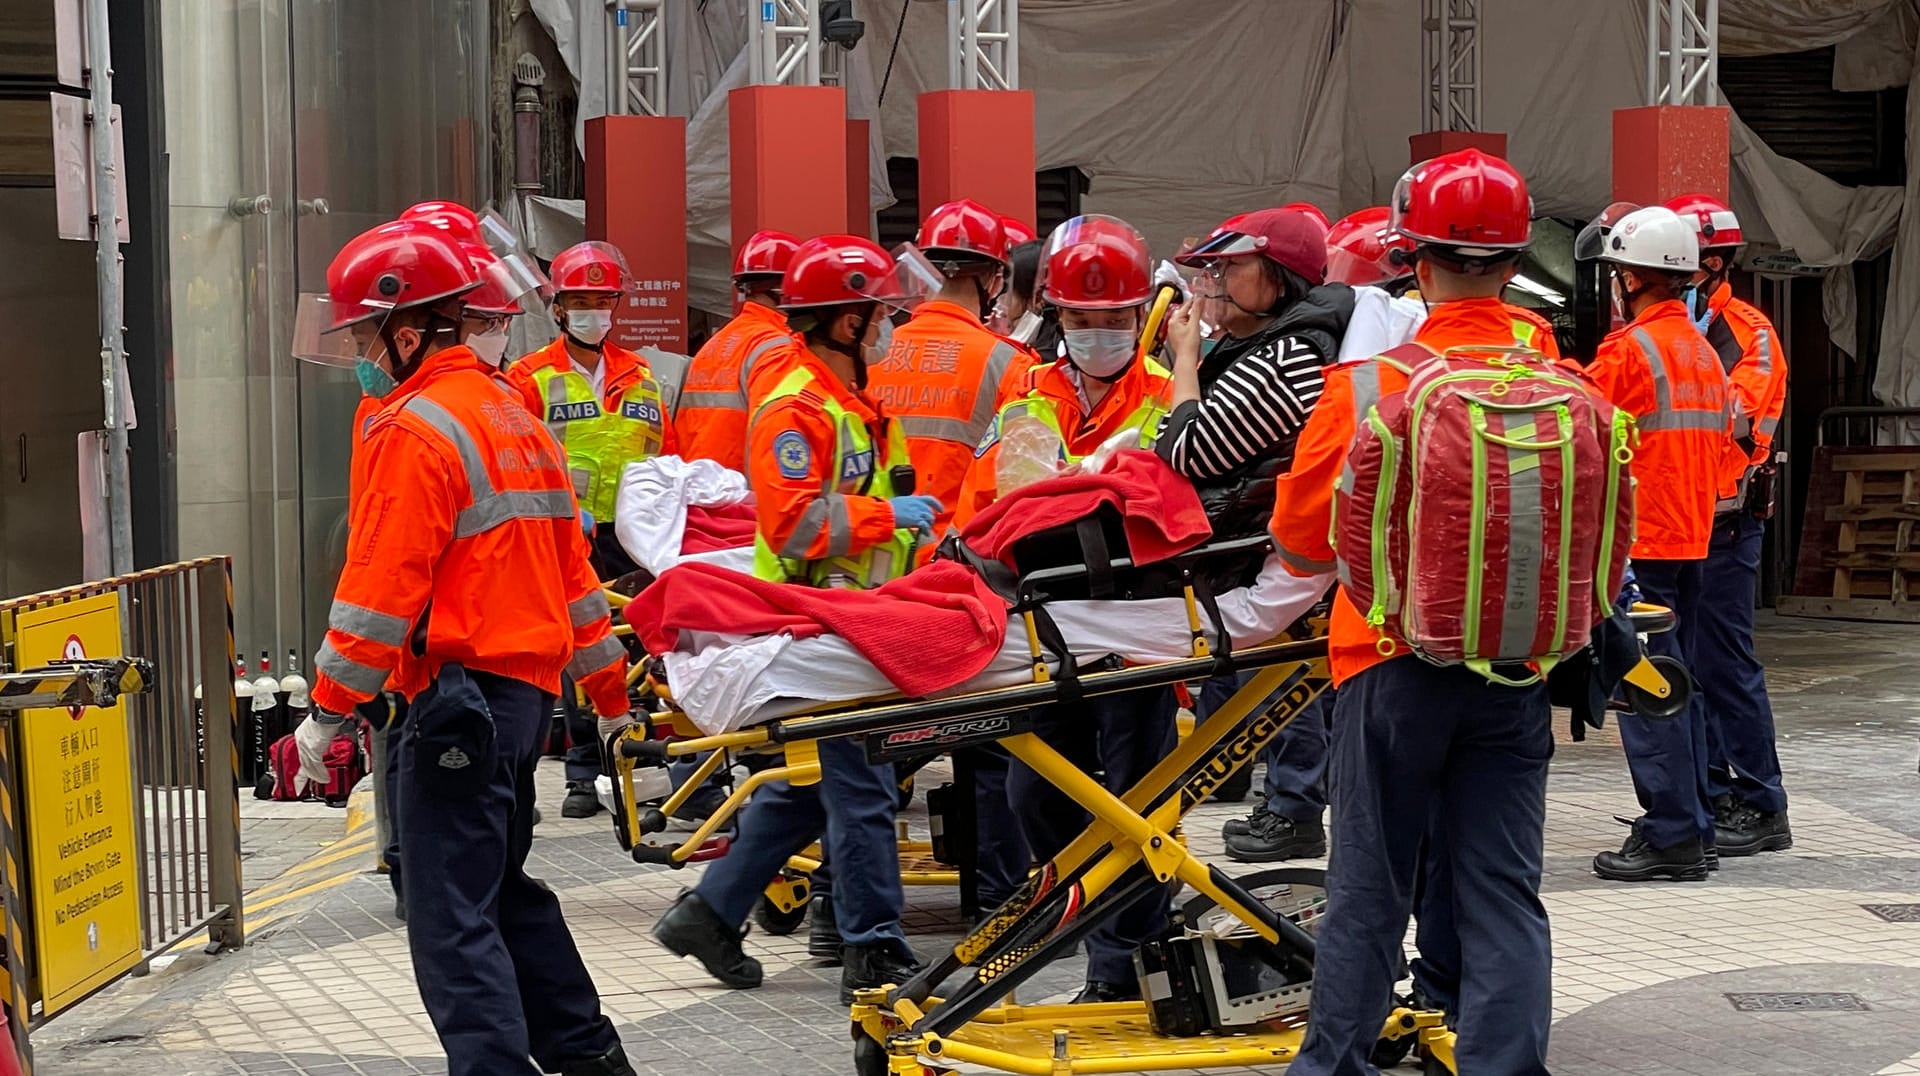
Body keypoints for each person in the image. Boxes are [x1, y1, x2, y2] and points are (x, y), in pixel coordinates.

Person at [293, 220, 636, 1076]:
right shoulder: (514, 414)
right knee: (502, 892)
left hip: (455, 703)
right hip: (520, 702)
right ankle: (591, 1058)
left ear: (408, 333)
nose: (363, 357)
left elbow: (379, 590)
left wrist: (326, 714)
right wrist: (610, 696)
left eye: (368, 337)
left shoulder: (415, 428)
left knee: (451, 919)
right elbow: (575, 574)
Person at [1271, 147, 1557, 1076]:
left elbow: (1303, 544)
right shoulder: (1564, 379)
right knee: (1503, 891)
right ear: (1514, 265)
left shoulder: (1367, 385)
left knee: (1369, 889)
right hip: (1517, 670)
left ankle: (1333, 1068)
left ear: (1415, 262)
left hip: (1386, 666)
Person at [651, 236, 939, 1003]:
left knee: (820, 788)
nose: (885, 327)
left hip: (857, 620)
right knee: (864, 784)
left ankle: (709, 912)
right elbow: (793, 528)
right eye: (877, 314)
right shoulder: (796, 410)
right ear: (846, 323)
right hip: (816, 629)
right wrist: (887, 515)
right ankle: (873, 946)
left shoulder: (854, 405)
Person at [958, 215, 1181, 1003]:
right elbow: (995, 493)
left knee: (1138, 799)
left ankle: (1125, 963)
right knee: (1033, 793)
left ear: (1139, 317)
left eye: (1113, 320)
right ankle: (1107, 923)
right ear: (1057, 314)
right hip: (1047, 617)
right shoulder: (1029, 386)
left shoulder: (1166, 392)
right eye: (1081, 320)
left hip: (1135, 621)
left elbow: (1166, 498)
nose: (1096, 334)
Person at [1162, 206, 1352, 863]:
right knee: (1283, 679)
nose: (1212, 280)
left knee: (1286, 681)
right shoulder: (1280, 345)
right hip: (1273, 547)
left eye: (1228, 265)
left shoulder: (1284, 357)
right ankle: (1287, 804)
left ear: (1277, 277)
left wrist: (1184, 359)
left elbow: (1187, 450)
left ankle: (1294, 809)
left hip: (1272, 556)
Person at [1577, 204, 1733, 883]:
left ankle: (1673, 833)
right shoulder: (1700, 347)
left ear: (1632, 279)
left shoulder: (1629, 351)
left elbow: (1577, 422)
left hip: (1643, 538)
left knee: (1645, 685)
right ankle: (1695, 819)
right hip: (1695, 531)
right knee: (1680, 682)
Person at [503, 241, 677, 818]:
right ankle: (581, 775)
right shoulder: (529, 377)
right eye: (581, 300)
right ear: (557, 308)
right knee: (575, 650)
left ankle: (633, 769)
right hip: (563, 535)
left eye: (603, 302)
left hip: (630, 539)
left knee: (632, 651)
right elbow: (515, 454)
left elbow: (664, 454)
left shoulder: (641, 376)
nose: (593, 312)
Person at [1665, 192, 1794, 857]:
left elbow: (1730, 416)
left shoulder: (1750, 334)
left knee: (1724, 661)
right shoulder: (1670, 334)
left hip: (1726, 523)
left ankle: (1760, 800)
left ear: (1713, 262)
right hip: (1676, 523)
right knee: (1683, 661)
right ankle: (1711, 791)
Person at [865, 198, 1030, 541]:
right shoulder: (1011, 363)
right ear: (994, 281)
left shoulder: (870, 353)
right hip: (954, 561)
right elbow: (1017, 480)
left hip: (871, 550)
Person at [676, 230, 803, 471]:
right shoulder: (780, 349)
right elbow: (779, 435)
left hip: (701, 491)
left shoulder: (714, 344)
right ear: (784, 289)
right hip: (746, 495)